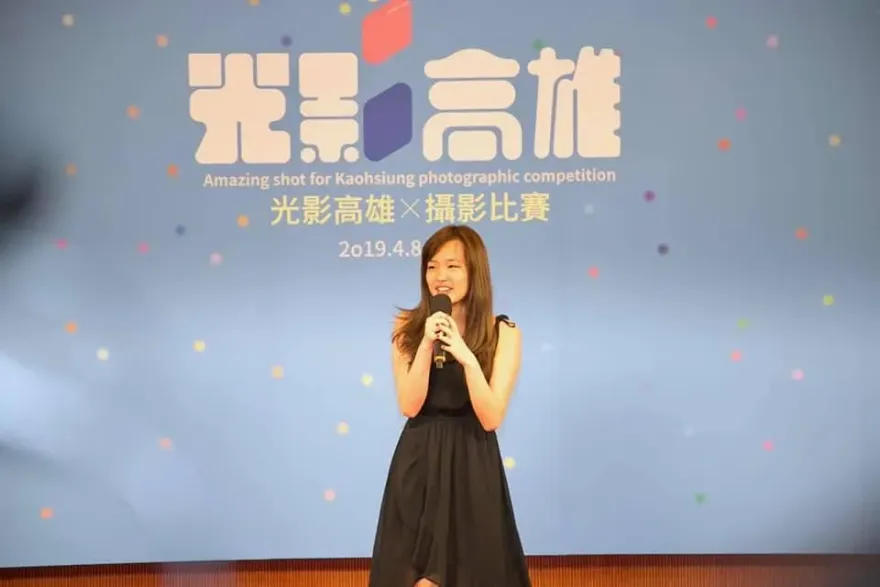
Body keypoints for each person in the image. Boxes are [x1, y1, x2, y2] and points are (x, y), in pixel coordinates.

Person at [369, 225, 531, 587]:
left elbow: (491, 417)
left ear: (475, 271)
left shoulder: (503, 333)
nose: (440, 276)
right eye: (432, 266)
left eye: (452, 266)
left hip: (472, 464)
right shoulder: (407, 328)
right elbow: (410, 405)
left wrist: (466, 356)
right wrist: (427, 344)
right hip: (419, 462)